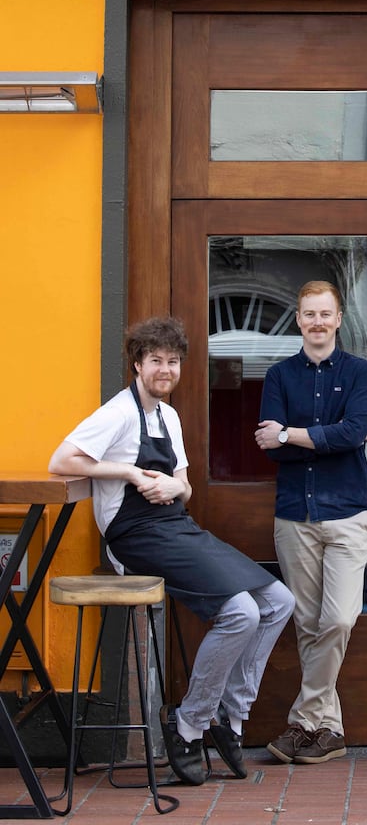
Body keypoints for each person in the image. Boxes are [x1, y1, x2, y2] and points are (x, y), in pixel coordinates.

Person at [48, 316, 295, 786]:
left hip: (175, 525)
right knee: (241, 611)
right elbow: (61, 460)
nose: (166, 369)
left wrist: (173, 487)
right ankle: (188, 724)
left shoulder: (169, 416)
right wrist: (131, 474)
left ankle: (230, 716)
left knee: (279, 601)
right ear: (137, 364)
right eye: (156, 360)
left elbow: (185, 487)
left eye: (173, 361)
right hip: (135, 536)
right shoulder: (119, 412)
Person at [255, 280, 367, 765]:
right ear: (299, 319)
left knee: (339, 618)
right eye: (309, 314)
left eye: (325, 314)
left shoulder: (361, 372)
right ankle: (331, 731)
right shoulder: (279, 376)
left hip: (348, 516)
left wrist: (292, 433)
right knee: (307, 623)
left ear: (339, 318)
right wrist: (303, 437)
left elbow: (354, 432)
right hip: (295, 517)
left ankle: (303, 721)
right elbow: (269, 445)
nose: (318, 322)